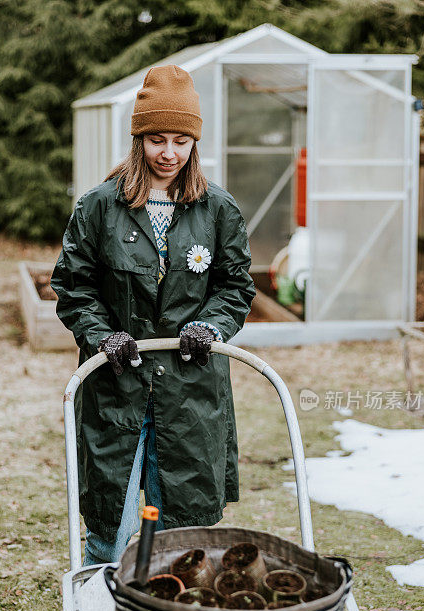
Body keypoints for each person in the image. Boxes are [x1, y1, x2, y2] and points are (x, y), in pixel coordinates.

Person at [51, 64, 255, 565]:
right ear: (138, 138)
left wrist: (212, 325)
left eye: (181, 140)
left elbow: (235, 286)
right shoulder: (100, 207)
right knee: (111, 522)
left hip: (190, 389)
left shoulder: (218, 210)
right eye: (157, 139)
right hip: (118, 386)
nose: (169, 153)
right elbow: (75, 288)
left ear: (195, 143)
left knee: (182, 531)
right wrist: (102, 337)